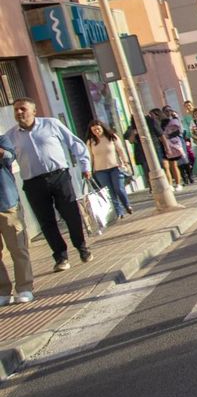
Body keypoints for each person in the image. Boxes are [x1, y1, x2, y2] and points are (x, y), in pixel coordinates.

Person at [0, 98, 93, 272]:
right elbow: (8, 159)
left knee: (71, 214)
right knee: (46, 222)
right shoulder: (10, 136)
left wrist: (85, 166)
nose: (19, 113)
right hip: (33, 183)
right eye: (16, 111)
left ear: (34, 111)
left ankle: (82, 248)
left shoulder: (51, 124)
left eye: (23, 109)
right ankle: (60, 257)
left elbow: (74, 143)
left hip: (59, 177)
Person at [0, 138, 34, 305]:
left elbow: (9, 157)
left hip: (6, 203)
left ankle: (24, 287)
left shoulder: (2, 139)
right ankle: (2, 291)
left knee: (18, 248)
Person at [85, 119, 134, 219]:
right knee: (110, 192)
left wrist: (126, 163)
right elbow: (90, 157)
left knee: (119, 188)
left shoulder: (112, 137)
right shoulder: (90, 142)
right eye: (94, 130)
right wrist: (88, 170)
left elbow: (120, 150)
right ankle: (119, 212)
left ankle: (126, 205)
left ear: (102, 128)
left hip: (116, 167)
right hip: (100, 171)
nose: (96, 132)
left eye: (98, 129)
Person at [161, 108, 190, 187]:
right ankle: (181, 180)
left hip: (175, 142)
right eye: (165, 112)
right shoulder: (162, 121)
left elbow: (179, 131)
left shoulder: (175, 120)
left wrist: (168, 135)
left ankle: (185, 178)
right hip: (165, 144)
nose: (167, 113)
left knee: (180, 161)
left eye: (168, 111)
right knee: (171, 165)